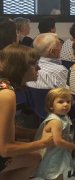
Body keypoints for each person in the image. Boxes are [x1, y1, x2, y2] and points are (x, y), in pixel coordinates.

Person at [0, 44, 54, 179]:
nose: (39, 68)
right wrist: (44, 142)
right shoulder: (7, 94)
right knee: (36, 157)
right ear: (20, 67)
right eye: (34, 64)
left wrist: (38, 133)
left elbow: (9, 129)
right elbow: (5, 149)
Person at [35, 88, 75, 180]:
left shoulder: (63, 116)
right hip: (52, 155)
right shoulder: (55, 121)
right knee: (54, 175)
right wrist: (70, 145)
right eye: (60, 102)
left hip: (57, 153)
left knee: (58, 175)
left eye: (68, 101)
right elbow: (57, 141)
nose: (65, 104)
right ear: (51, 106)